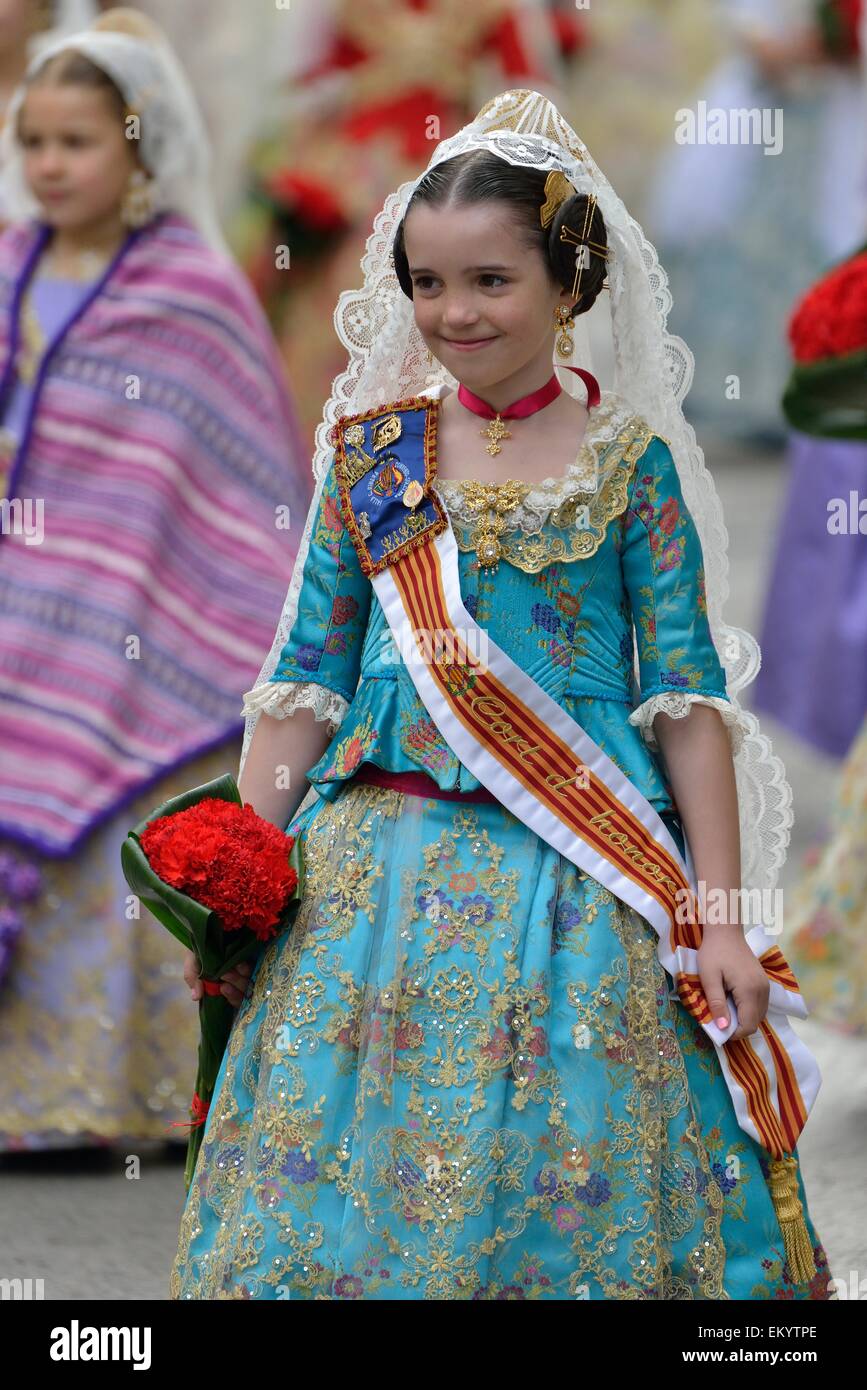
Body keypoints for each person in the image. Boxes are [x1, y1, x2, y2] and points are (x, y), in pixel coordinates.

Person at [171, 89, 834, 1300]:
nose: (453, 314)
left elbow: (684, 701)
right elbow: (308, 676)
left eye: (490, 281)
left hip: (579, 878)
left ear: (570, 282)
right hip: (369, 874)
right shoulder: (373, 455)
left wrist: (724, 917)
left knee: (568, 1168)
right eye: (426, 285)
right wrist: (241, 853)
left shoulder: (627, 466)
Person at [0, 8, 310, 1151]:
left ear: (140, 147)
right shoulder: (10, 261)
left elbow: (234, 485)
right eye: (33, 141)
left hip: (150, 602)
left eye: (76, 143)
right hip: (24, 577)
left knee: (104, 758)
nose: (48, 165)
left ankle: (109, 1104)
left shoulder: (192, 288)